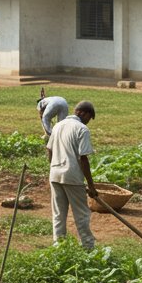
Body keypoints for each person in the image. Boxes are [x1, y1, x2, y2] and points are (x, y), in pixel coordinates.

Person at [47, 100, 98, 249]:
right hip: (73, 177)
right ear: (83, 113)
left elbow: (49, 149)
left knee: (58, 214)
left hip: (55, 175)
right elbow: (83, 159)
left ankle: (59, 247)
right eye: (89, 118)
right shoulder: (81, 129)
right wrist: (91, 186)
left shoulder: (58, 126)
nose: (88, 122)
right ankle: (88, 247)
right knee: (81, 214)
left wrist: (54, 166)